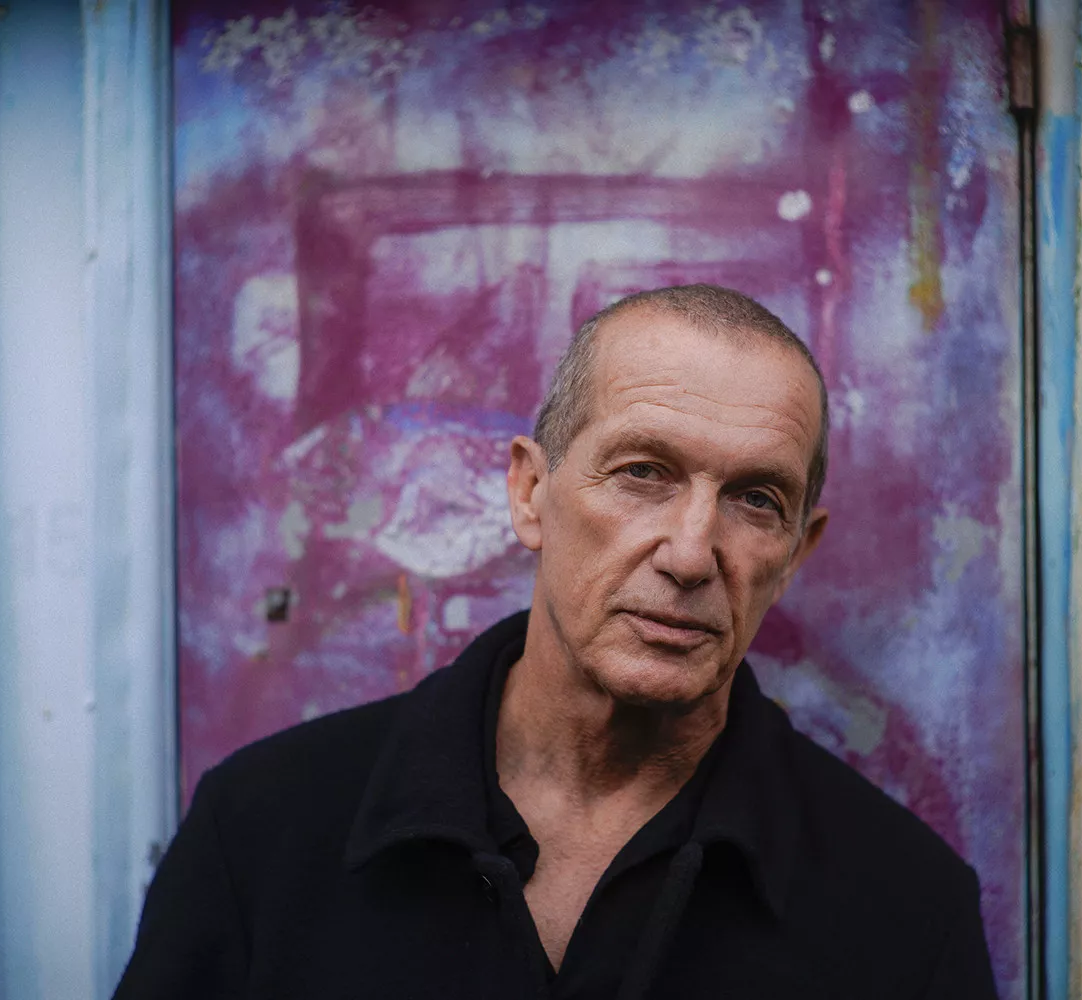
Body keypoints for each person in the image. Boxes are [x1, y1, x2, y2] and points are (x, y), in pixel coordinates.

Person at [114, 285, 998, 999]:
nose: (691, 553)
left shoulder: (907, 907)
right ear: (529, 494)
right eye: (643, 473)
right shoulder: (263, 830)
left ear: (796, 554)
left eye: (756, 500)